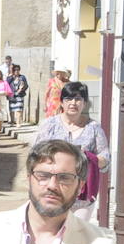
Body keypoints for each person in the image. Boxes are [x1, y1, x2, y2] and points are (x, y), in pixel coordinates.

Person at [33, 81, 112, 223]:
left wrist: (88, 158)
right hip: (52, 191)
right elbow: (35, 155)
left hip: (82, 196)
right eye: (68, 99)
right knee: (54, 233)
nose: (73, 103)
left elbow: (105, 157)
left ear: (85, 102)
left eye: (78, 99)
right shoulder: (49, 125)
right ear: (62, 102)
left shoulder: (94, 128)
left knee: (77, 235)